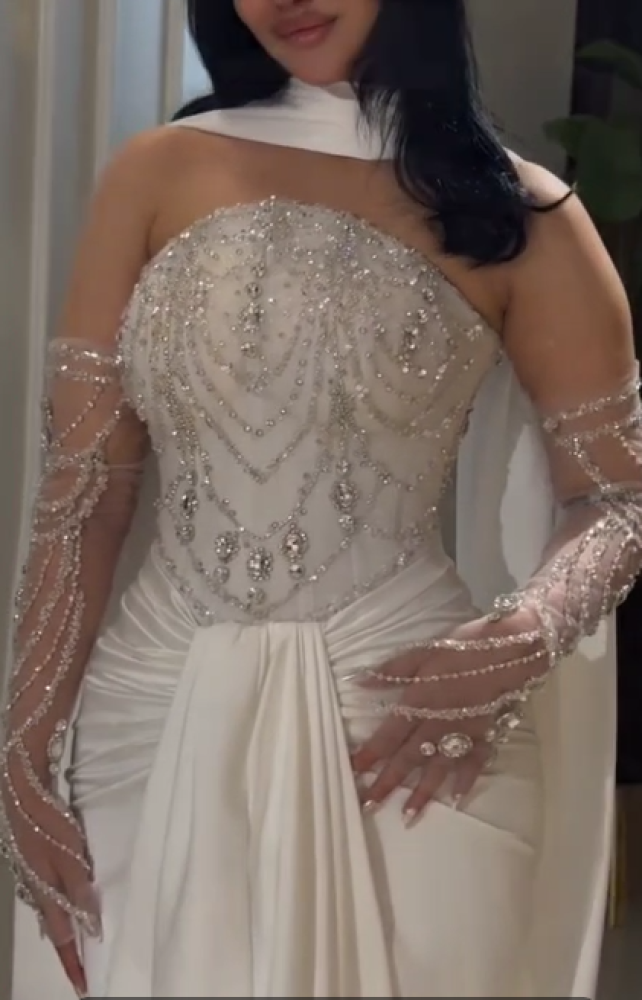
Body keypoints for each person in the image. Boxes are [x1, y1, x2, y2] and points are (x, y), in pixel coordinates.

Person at [2, 0, 641, 996]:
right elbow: (86, 493)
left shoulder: (525, 213)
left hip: (407, 739)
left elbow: (616, 498)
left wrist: (523, 637)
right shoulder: (156, 172)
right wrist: (24, 744)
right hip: (144, 726)